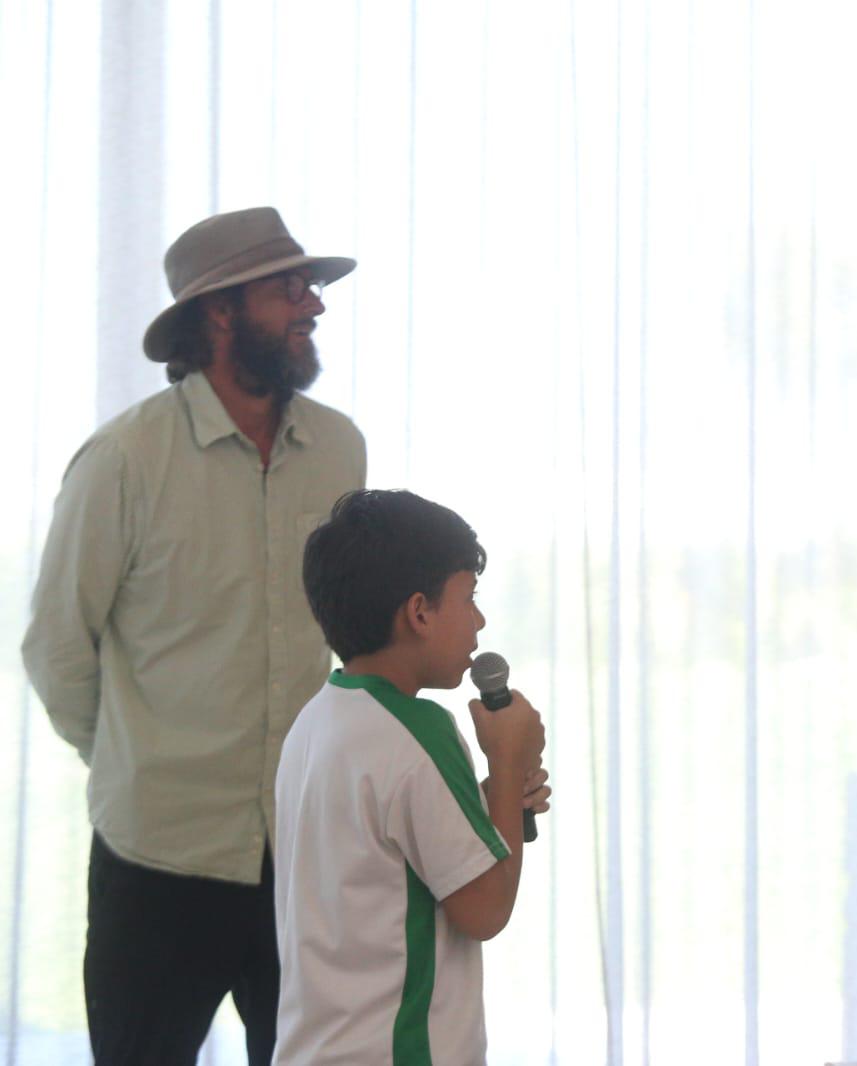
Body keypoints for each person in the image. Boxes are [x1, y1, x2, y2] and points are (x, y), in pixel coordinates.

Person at [20, 206, 366, 1064]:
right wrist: (136, 757)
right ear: (220, 312)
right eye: (289, 290)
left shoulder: (339, 451)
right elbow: (58, 645)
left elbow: (355, 627)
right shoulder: (124, 460)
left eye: (311, 288)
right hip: (157, 861)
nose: (312, 307)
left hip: (300, 852)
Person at [275, 488, 549, 1065]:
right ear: (419, 611)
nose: (479, 620)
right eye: (468, 598)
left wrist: (491, 797)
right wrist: (505, 763)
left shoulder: (318, 717)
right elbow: (485, 909)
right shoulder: (419, 730)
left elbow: (384, 853)